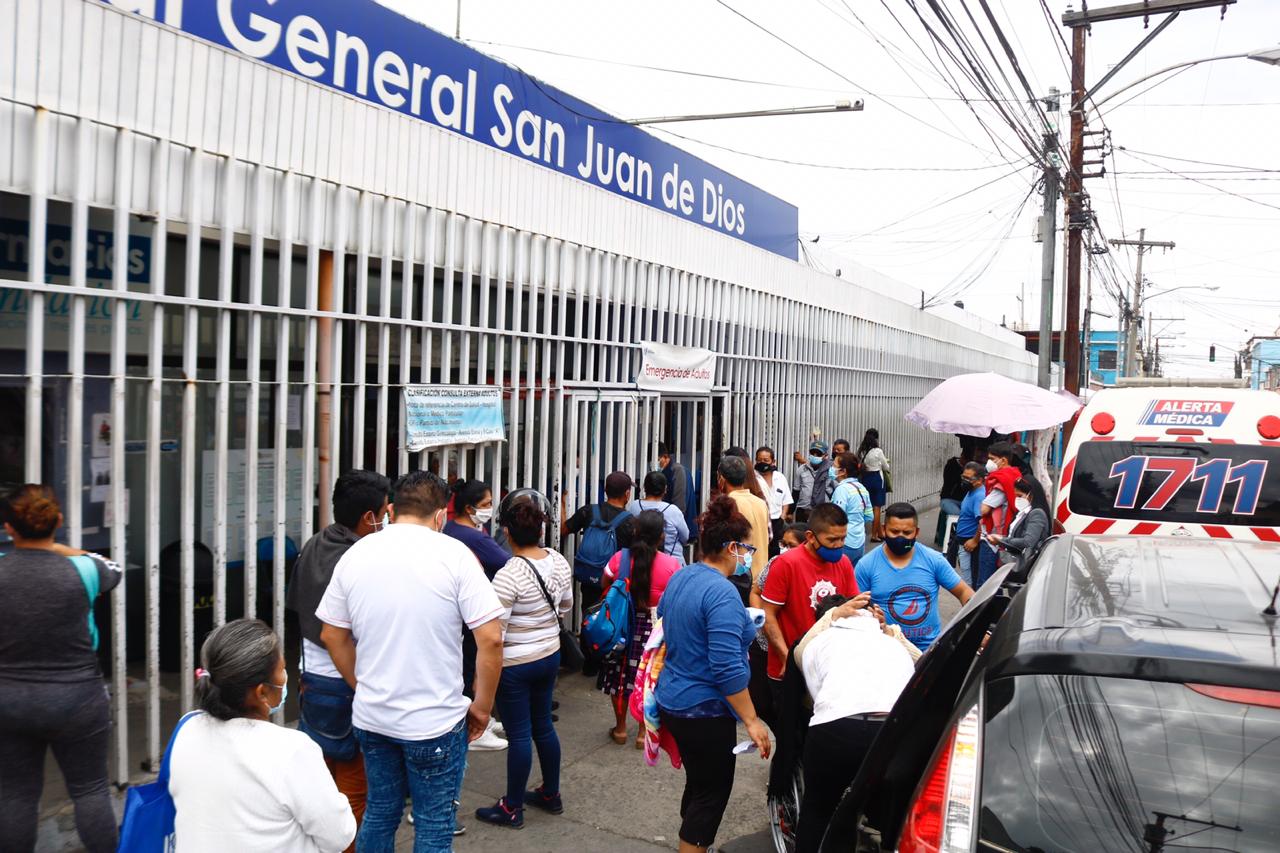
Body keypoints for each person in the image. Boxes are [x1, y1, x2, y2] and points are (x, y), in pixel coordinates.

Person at [318, 470, 504, 852]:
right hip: (434, 722)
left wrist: (362, 684)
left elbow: (331, 635)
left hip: (372, 718)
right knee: (434, 824)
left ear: (390, 509)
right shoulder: (454, 555)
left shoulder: (357, 553)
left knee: (379, 813)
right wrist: (482, 708)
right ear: (440, 515)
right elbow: (491, 639)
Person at [0, 485, 121, 853]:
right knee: (91, 791)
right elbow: (111, 569)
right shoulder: (85, 569)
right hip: (79, 698)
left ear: (8, 528)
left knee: (17, 796)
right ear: (59, 522)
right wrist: (55, 547)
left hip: (10, 700)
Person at [169, 619, 356, 853]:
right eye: (282, 670)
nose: (286, 677)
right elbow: (340, 835)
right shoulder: (291, 750)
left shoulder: (187, 729)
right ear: (262, 692)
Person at [655, 497, 772, 853]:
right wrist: (751, 720)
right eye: (747, 548)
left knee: (699, 783)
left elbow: (666, 620)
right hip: (703, 709)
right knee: (712, 794)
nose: (748, 555)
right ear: (731, 547)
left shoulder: (682, 575)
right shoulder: (721, 593)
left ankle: (687, 836)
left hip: (674, 699)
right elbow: (726, 667)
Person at [286, 469, 389, 846]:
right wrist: (363, 686)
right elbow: (350, 632)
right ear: (368, 517)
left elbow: (295, 607)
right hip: (346, 682)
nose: (387, 518)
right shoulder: (360, 559)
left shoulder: (316, 543)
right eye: (385, 511)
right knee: (353, 792)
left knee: (320, 786)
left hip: (311, 679)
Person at [475, 490, 572, 829]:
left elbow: (495, 635)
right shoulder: (558, 561)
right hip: (549, 656)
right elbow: (566, 606)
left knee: (519, 734)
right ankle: (551, 793)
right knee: (543, 726)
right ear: (541, 531)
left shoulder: (508, 574)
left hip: (516, 666)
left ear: (508, 533)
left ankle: (512, 807)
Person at [791, 596, 917, 853]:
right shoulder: (895, 646)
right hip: (892, 732)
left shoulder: (819, 641)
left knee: (817, 809)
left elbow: (817, 696)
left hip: (836, 728)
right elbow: (923, 663)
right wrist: (892, 631)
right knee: (892, 812)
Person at [598, 511, 682, 746]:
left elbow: (606, 583)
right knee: (648, 679)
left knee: (620, 678)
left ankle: (621, 729)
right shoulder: (672, 565)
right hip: (654, 629)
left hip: (622, 625)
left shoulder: (619, 559)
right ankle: (643, 732)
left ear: (635, 532)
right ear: (661, 536)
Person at [444, 478, 512, 752]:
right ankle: (474, 727)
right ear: (470, 508)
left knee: (466, 662)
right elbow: (506, 562)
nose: (490, 509)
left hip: (460, 609)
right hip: (473, 611)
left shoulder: (453, 527)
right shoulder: (473, 536)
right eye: (486, 504)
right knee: (473, 666)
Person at [855, 502, 974, 652]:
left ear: (916, 532)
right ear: (884, 530)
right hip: (886, 650)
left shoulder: (933, 560)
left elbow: (964, 592)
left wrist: (976, 625)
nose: (900, 538)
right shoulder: (866, 565)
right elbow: (855, 606)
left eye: (907, 533)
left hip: (928, 651)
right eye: (895, 531)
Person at [760, 503, 860, 681]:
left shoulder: (844, 563)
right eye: (832, 540)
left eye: (843, 539)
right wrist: (788, 659)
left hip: (828, 669)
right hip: (789, 671)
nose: (839, 545)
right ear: (810, 537)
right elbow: (768, 615)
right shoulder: (785, 564)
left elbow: (852, 607)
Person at [561, 471, 633, 616]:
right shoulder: (631, 522)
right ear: (627, 494)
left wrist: (562, 504)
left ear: (605, 491)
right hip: (615, 585)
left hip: (589, 578)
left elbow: (563, 530)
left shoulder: (589, 511)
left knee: (588, 620)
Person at [716, 455, 771, 605]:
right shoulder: (760, 503)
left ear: (721, 478)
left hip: (738, 579)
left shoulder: (728, 504)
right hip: (760, 580)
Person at [625, 471, 690, 564]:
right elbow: (685, 537)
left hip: (641, 562)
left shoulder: (634, 506)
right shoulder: (673, 511)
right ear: (665, 489)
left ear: (644, 488)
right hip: (673, 563)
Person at [988, 478, 1050, 568]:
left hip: (1028, 565)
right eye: (1015, 496)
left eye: (1020, 496)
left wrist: (1001, 540)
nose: (1017, 499)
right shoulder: (1021, 512)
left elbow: (1028, 542)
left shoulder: (1037, 514)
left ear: (1031, 496)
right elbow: (1014, 536)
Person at [829, 452, 873, 564]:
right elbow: (869, 516)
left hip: (844, 542)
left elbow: (836, 518)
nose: (831, 468)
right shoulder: (862, 488)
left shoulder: (842, 490)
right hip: (860, 541)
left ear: (843, 471)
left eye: (834, 465)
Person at [754, 446, 794, 555]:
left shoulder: (780, 478)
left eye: (766, 460)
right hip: (759, 522)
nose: (762, 463)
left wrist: (782, 517)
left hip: (777, 522)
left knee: (775, 552)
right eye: (759, 460)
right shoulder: (753, 479)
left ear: (773, 462)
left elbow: (786, 501)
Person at [956, 462, 990, 588]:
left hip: (970, 545)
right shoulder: (971, 491)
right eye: (963, 477)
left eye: (968, 478)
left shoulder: (979, 496)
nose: (965, 481)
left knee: (969, 582)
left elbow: (983, 521)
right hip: (963, 541)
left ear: (980, 480)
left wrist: (974, 541)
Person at [935, 438, 972, 547]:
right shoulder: (951, 465)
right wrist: (962, 475)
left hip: (963, 501)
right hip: (948, 499)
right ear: (963, 457)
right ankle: (955, 541)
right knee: (959, 515)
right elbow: (950, 482)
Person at [658, 442, 697, 537]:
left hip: (681, 531)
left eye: (658, 459)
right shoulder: (665, 472)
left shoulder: (677, 471)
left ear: (665, 457)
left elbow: (679, 507)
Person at [858, 429, 890, 541]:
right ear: (876, 438)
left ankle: (880, 533)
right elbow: (886, 467)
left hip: (866, 479)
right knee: (877, 507)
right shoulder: (878, 451)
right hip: (877, 479)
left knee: (869, 506)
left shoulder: (862, 451)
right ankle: (874, 535)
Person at [792, 440, 832, 523]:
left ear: (825, 456)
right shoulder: (802, 469)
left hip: (822, 511)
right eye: (812, 453)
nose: (815, 455)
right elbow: (796, 491)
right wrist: (790, 511)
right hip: (803, 510)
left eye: (818, 454)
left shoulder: (830, 471)